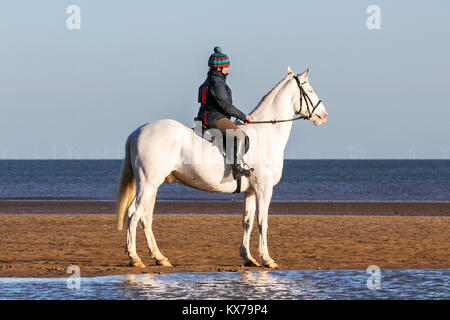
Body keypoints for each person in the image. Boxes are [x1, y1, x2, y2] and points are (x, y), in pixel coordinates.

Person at [197, 46, 253, 180]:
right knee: (239, 135)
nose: (228, 69)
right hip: (213, 118)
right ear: (218, 68)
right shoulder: (217, 82)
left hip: (208, 115)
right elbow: (226, 105)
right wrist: (243, 116)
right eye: (226, 67)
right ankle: (237, 169)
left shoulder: (213, 79)